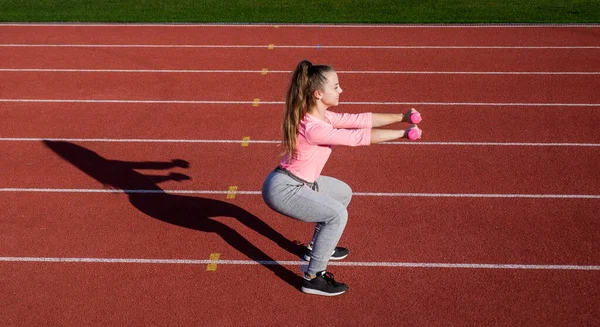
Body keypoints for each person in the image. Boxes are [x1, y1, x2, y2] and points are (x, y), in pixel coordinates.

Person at [261, 60, 423, 296]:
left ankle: (317, 248)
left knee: (342, 192)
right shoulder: (314, 128)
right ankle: (313, 277)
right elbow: (357, 137)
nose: (341, 90)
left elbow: (360, 121)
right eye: (335, 87)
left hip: (298, 182)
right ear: (318, 94)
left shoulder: (323, 117)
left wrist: (403, 116)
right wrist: (403, 133)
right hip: (285, 189)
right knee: (336, 214)